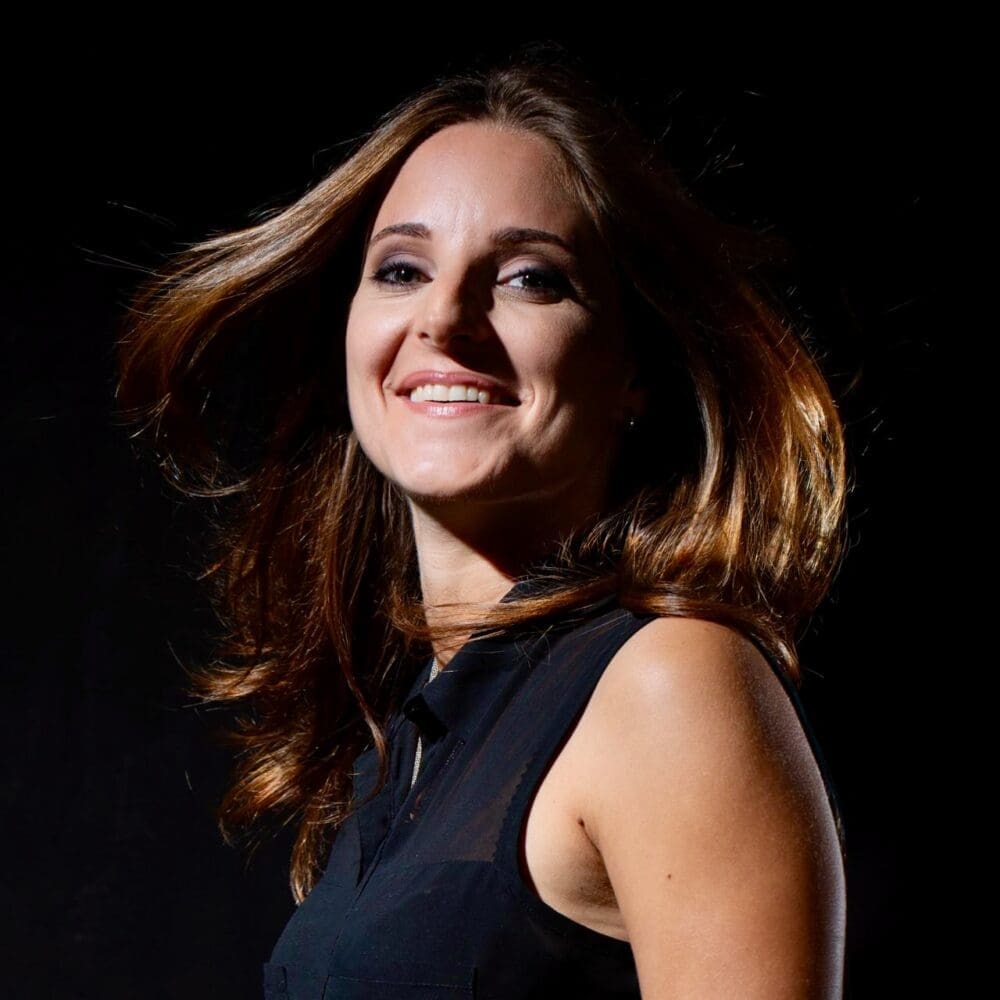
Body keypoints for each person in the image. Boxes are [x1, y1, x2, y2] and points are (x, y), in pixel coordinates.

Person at [116, 52, 848, 999]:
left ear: (633, 370)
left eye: (530, 278)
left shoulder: (670, 684)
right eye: (402, 269)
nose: (445, 317)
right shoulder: (410, 739)